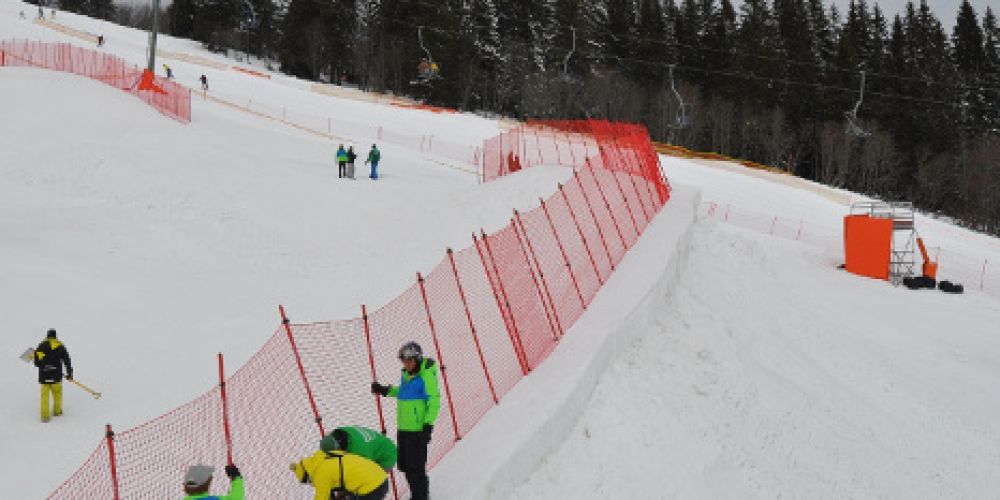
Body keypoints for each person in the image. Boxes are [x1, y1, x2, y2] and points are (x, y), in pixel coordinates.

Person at [370, 342, 439, 500]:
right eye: (404, 361)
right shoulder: (406, 375)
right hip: (403, 430)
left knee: (417, 470)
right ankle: (416, 495)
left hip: (417, 432)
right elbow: (403, 393)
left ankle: (420, 497)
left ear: (417, 359)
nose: (406, 364)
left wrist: (427, 426)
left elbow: (434, 402)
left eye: (409, 360)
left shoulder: (426, 376)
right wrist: (384, 390)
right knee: (406, 467)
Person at [291, 449, 389, 500]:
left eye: (308, 480)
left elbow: (321, 497)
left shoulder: (319, 473)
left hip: (372, 487)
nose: (311, 483)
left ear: (307, 474)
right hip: (379, 475)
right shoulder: (326, 456)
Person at [34, 329, 72, 423]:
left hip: (44, 375)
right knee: (57, 393)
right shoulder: (60, 346)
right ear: (55, 336)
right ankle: (57, 411)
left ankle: (45, 416)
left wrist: (44, 364)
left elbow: (36, 363)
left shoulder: (41, 346)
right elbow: (67, 361)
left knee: (44, 395)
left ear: (47, 336)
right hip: (56, 375)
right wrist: (69, 373)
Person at [320, 426, 398, 472]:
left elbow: (364, 471)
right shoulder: (337, 433)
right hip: (374, 446)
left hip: (387, 455)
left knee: (372, 484)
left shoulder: (360, 452)